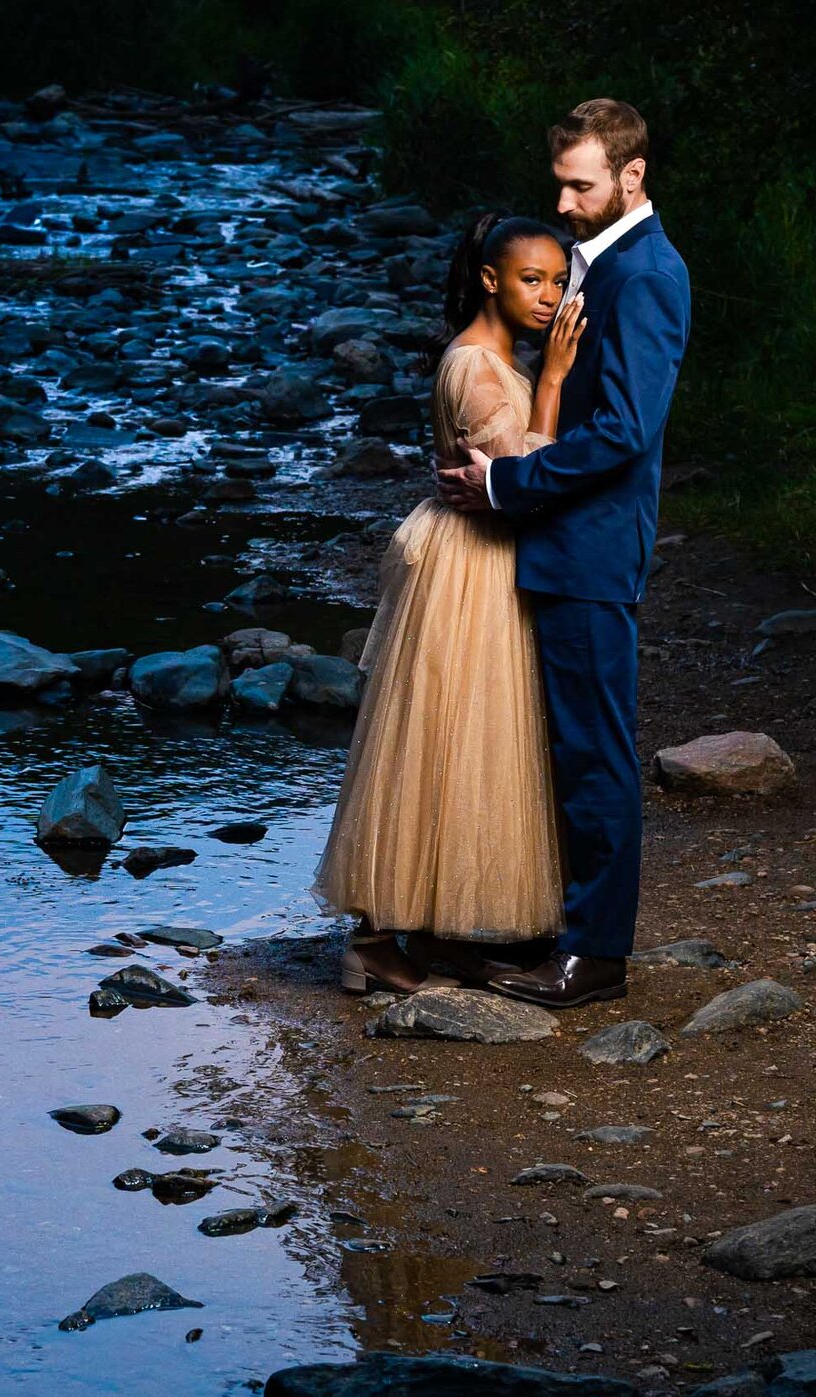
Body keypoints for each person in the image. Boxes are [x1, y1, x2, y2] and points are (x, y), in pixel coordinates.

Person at [435, 98, 691, 1009]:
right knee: (568, 749)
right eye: (560, 184)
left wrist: (506, 488)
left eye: (582, 185)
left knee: (596, 754)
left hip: (590, 546)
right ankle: (566, 931)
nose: (567, 199)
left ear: (632, 177)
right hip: (561, 542)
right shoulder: (595, 263)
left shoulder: (649, 275)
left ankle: (595, 958)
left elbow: (625, 430)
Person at [315, 213, 587, 993]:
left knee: (476, 739)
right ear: (492, 280)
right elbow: (525, 476)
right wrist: (560, 381)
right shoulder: (473, 366)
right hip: (468, 563)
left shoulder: (496, 357)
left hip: (482, 555)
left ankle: (440, 929)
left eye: (559, 280)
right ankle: (372, 942)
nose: (549, 297)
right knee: (435, 735)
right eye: (532, 279)